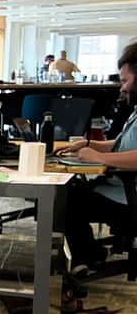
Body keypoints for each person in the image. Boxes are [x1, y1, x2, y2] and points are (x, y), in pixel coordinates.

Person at [56, 42, 137, 269]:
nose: (121, 88)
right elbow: (123, 145)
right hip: (119, 189)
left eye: (125, 81)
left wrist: (100, 158)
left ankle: (87, 256)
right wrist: (91, 144)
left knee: (65, 201)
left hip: (128, 198)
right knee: (65, 191)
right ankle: (87, 252)